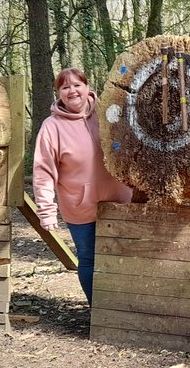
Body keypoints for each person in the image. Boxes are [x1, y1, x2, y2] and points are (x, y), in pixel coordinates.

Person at [33, 68, 133, 304]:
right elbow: (44, 171)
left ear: (87, 87)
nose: (72, 91)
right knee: (89, 259)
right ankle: (97, 310)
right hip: (81, 208)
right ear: (59, 93)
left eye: (77, 85)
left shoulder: (109, 113)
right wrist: (46, 211)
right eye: (65, 87)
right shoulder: (51, 127)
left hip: (122, 201)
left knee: (127, 254)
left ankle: (125, 309)